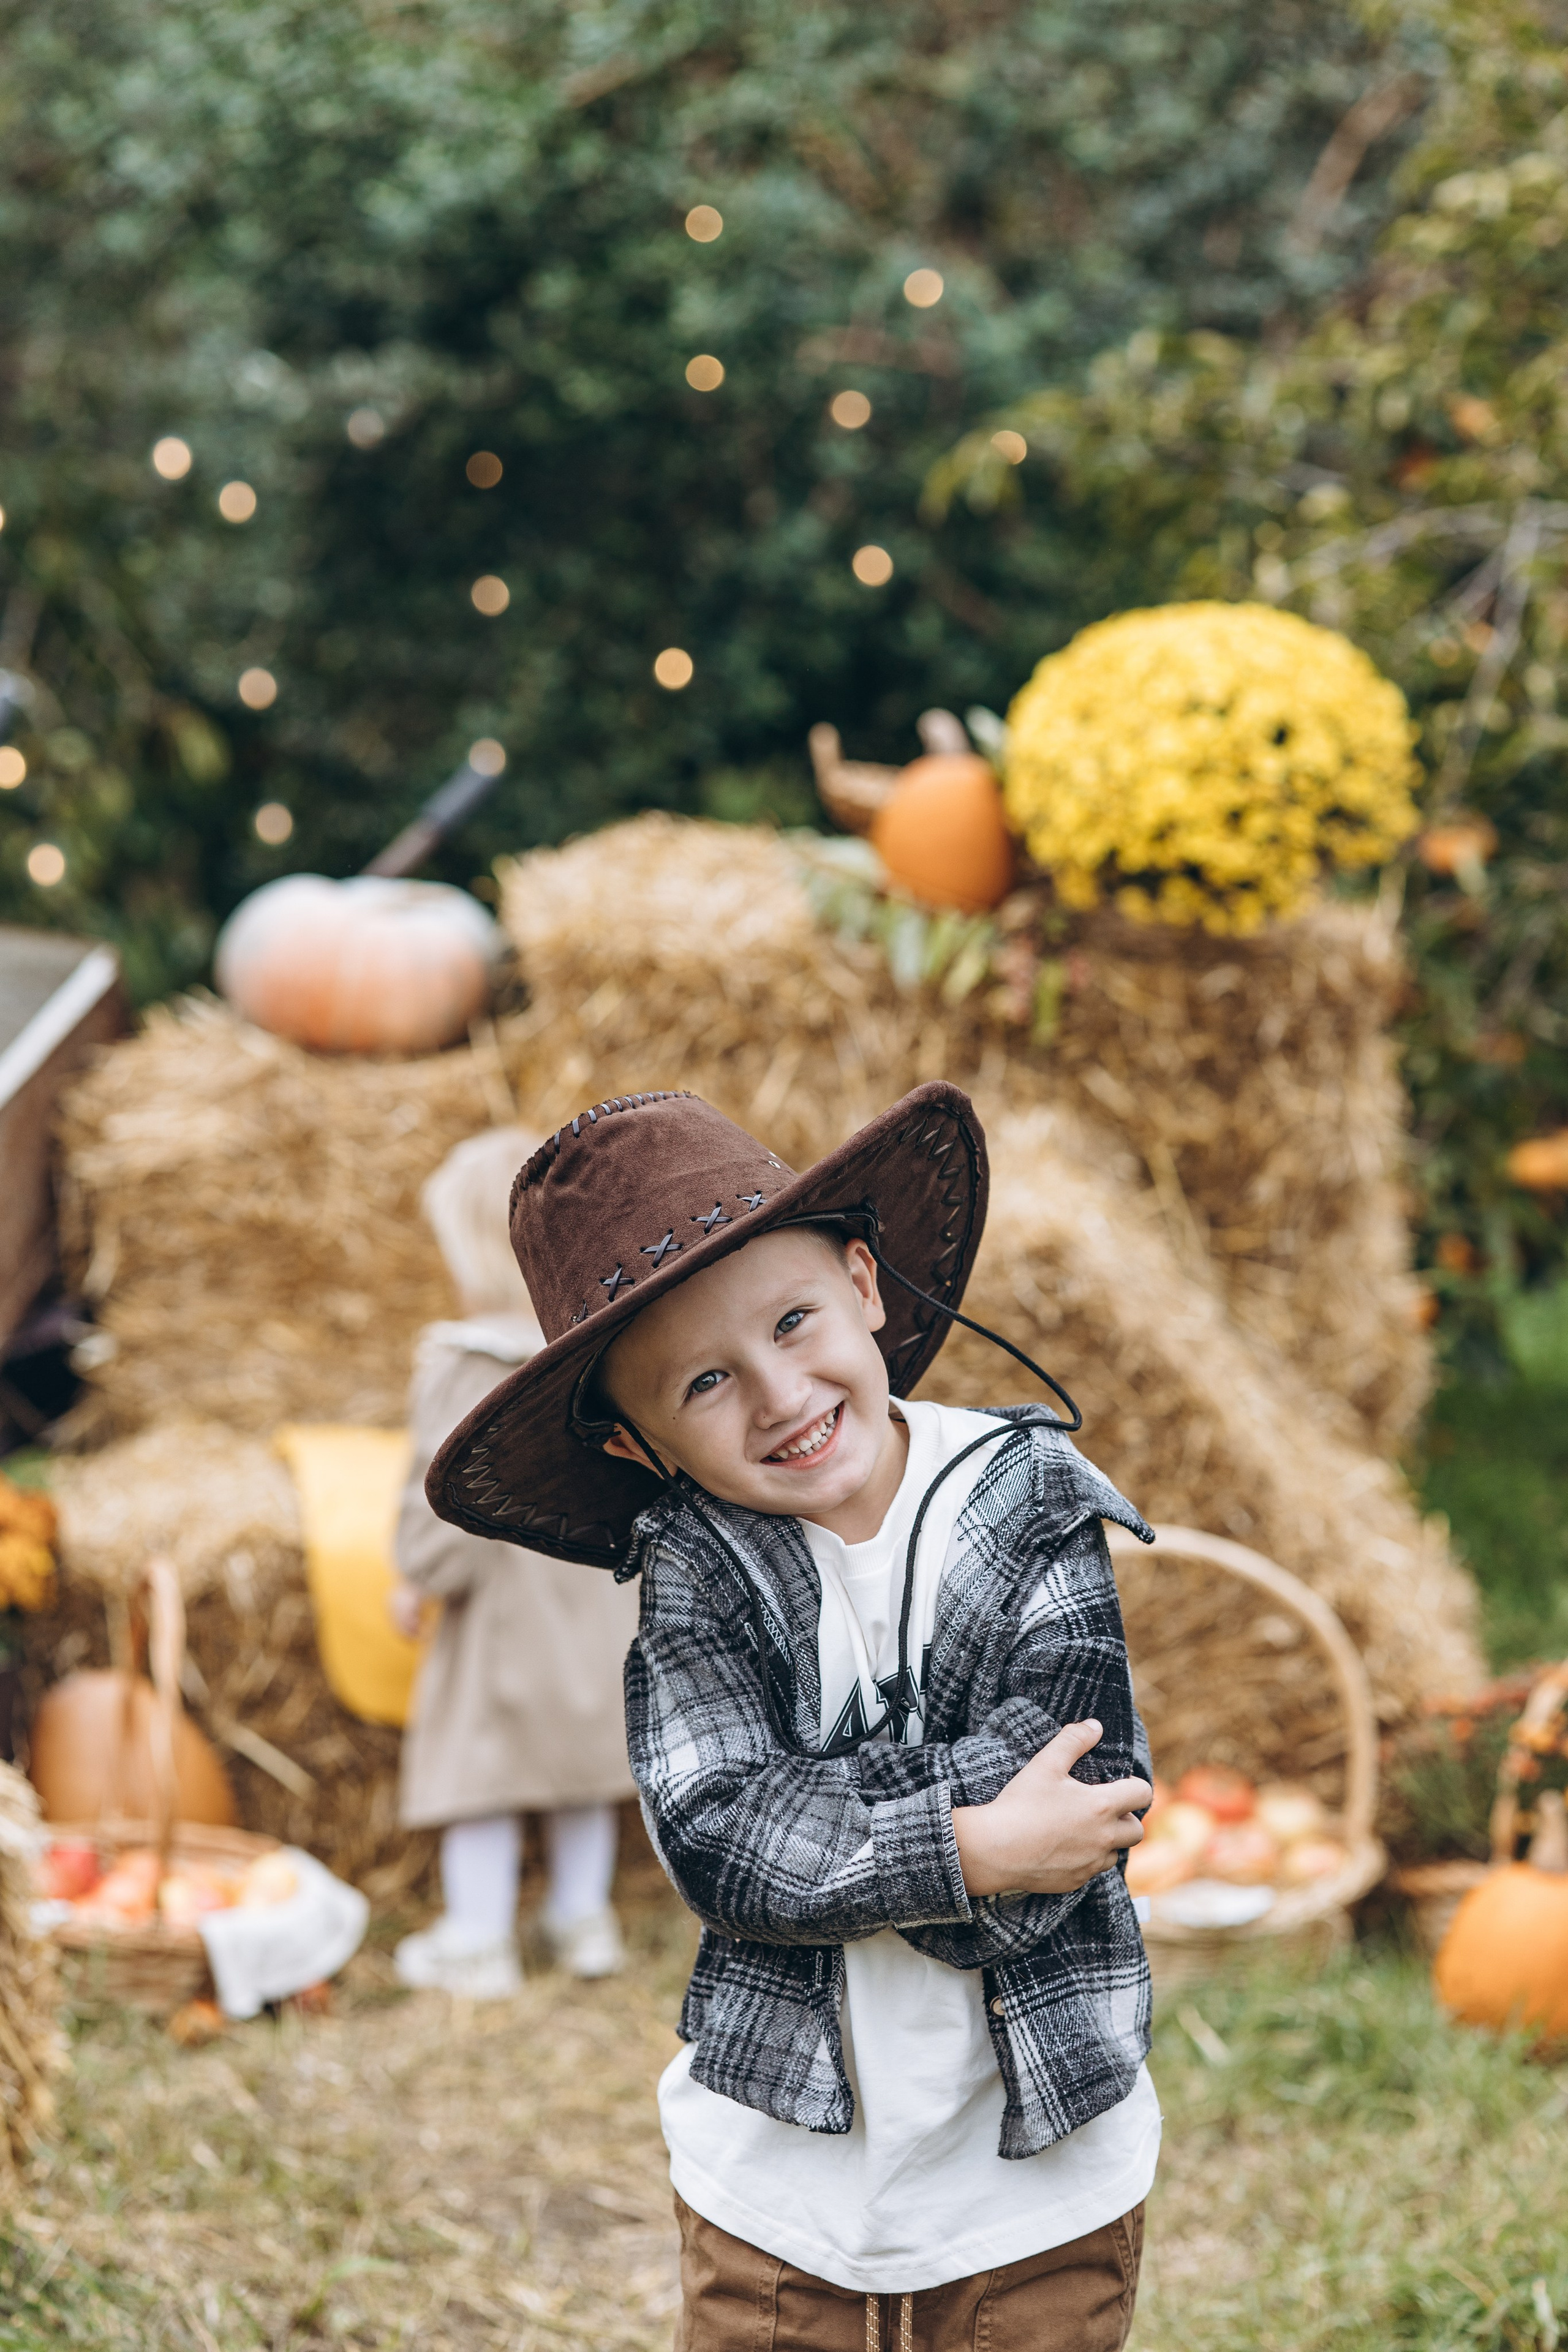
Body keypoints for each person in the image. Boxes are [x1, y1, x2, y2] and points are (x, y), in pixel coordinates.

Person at [425, 1084, 1159, 2349]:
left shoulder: (1029, 1497)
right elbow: (719, 1836)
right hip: (777, 2189)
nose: (777, 1394)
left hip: (1038, 2173)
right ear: (631, 1445)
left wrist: (823, 1820)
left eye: (793, 1320)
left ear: (865, 1283)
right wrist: (968, 1847)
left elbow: (1080, 1796)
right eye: (705, 1380)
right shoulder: (696, 1569)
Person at [389, 1125, 640, 1998]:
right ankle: (583, 1919)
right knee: (581, 1766)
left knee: (483, 1774)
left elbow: (442, 1490)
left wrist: (418, 1573)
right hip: (589, 1595)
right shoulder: (595, 1353)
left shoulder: (463, 1362)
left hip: (499, 1608)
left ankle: (479, 1938)